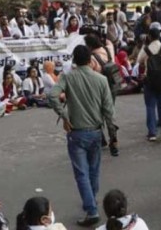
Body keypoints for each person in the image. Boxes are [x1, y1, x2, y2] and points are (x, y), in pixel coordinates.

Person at [47, 45, 116, 227]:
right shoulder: (101, 80)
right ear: (90, 61)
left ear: (74, 61)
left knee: (81, 173)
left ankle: (92, 210)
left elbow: (52, 95)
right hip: (96, 132)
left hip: (76, 132)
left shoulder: (68, 77)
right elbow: (109, 110)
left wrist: (63, 115)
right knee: (93, 170)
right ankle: (91, 200)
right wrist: (113, 134)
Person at [136, 28, 161, 141]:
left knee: (150, 107)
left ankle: (152, 133)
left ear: (149, 36)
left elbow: (138, 60)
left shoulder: (146, 49)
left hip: (150, 80)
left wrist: (145, 46)